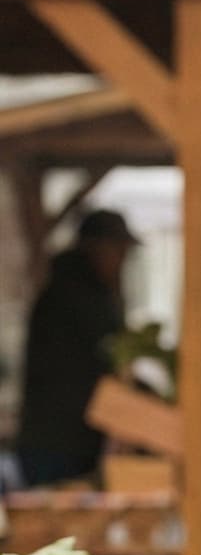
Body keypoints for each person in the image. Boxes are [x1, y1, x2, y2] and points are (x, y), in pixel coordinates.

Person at [16, 208, 137, 486]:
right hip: (58, 443)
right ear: (96, 248)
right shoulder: (76, 299)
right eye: (118, 250)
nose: (122, 260)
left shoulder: (80, 293)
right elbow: (92, 370)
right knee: (55, 524)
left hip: (66, 439)